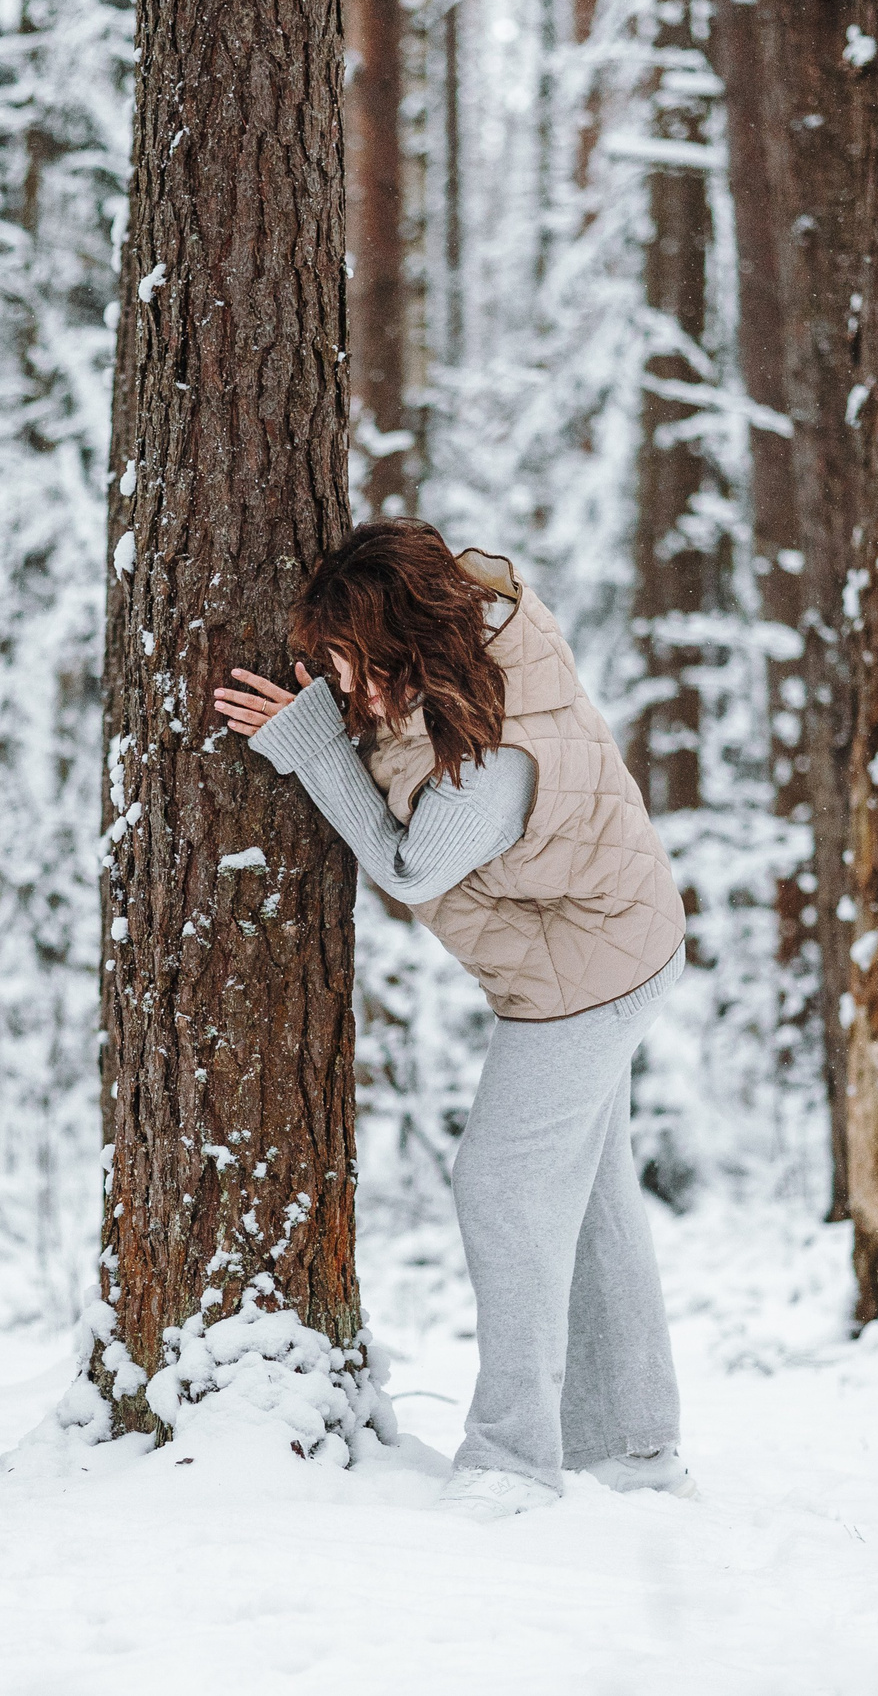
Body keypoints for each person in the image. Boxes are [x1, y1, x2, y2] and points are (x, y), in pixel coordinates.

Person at [211, 517, 694, 1521]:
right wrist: (341, 692)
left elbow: (409, 862)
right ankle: (636, 1447)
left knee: (505, 1185)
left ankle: (512, 1461)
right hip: (616, 937)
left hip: (588, 975)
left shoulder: (494, 763)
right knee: (591, 1197)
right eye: (333, 675)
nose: (349, 697)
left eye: (358, 672)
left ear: (409, 643)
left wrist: (307, 746)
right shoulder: (470, 645)